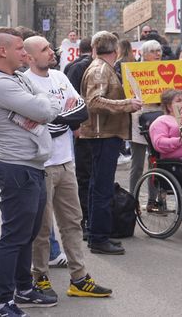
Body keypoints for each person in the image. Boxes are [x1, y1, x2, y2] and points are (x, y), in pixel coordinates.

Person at [0, 28, 63, 315]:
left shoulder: (17, 78)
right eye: (18, 48)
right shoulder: (0, 84)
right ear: (2, 51)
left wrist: (45, 101)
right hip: (17, 168)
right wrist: (46, 103)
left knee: (28, 233)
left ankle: (24, 288)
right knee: (14, 236)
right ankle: (3, 302)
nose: (24, 53)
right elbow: (45, 110)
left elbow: (47, 101)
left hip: (32, 167)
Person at [23, 36, 112, 300]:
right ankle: (39, 277)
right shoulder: (25, 83)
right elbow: (37, 121)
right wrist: (63, 119)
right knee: (41, 228)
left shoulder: (60, 78)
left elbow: (82, 111)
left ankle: (79, 278)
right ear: (29, 57)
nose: (51, 52)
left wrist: (58, 118)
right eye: (44, 49)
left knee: (72, 223)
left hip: (65, 161)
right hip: (42, 165)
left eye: (50, 48)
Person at [80, 31, 142, 255]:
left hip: (105, 133)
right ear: (115, 51)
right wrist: (126, 104)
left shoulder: (101, 68)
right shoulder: (100, 69)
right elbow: (94, 101)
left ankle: (97, 233)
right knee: (102, 188)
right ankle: (99, 237)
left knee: (99, 186)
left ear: (96, 49)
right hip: (102, 134)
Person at [64, 37, 94, 238]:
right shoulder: (81, 68)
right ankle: (84, 218)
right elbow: (72, 101)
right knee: (84, 175)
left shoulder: (73, 67)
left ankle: (86, 217)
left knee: (87, 175)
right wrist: (76, 125)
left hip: (84, 128)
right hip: (83, 128)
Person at [128, 40, 162, 200]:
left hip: (157, 119)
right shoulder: (135, 71)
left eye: (159, 51)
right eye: (154, 51)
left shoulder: (162, 69)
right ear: (145, 54)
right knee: (138, 164)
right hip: (139, 120)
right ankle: (132, 199)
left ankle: (153, 200)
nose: (158, 54)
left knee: (156, 162)